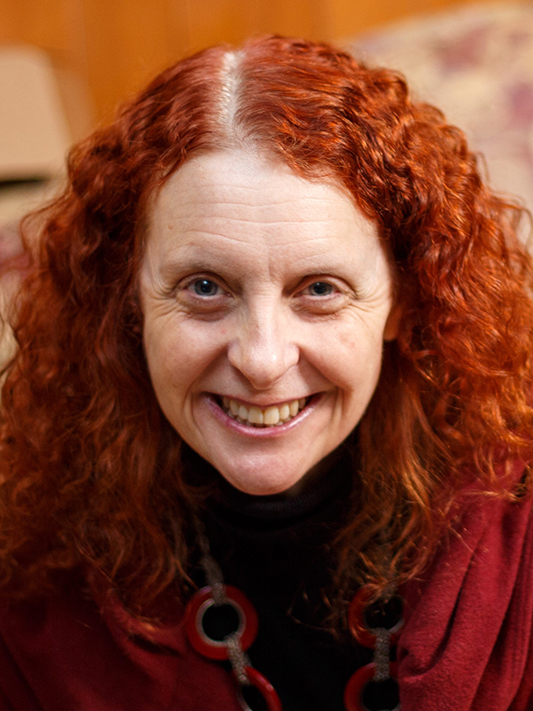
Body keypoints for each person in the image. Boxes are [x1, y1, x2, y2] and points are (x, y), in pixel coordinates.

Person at [0, 35, 531, 711]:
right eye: (203, 286)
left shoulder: (518, 549)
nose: (261, 358)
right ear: (127, 301)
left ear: (404, 299)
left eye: (318, 288)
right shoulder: (32, 590)